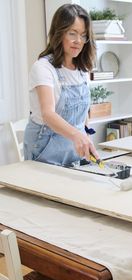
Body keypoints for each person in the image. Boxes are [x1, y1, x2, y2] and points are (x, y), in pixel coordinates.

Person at [24, 3, 99, 166]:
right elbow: (48, 114)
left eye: (83, 35)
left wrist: (86, 137)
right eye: (72, 33)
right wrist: (77, 136)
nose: (78, 41)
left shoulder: (82, 70)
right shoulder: (43, 68)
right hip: (44, 151)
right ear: (59, 33)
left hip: (72, 152)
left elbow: (84, 113)